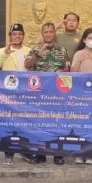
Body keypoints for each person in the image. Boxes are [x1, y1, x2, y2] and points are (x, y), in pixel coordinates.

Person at [25, 22, 70, 165]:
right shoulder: (35, 49)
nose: (49, 34)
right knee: (40, 124)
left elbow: (68, 69)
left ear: (54, 33)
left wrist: (63, 71)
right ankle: (40, 154)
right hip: (40, 94)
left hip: (57, 94)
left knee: (58, 123)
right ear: (42, 33)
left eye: (51, 31)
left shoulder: (62, 50)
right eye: (46, 32)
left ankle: (58, 154)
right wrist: (37, 55)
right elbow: (27, 65)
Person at [0, 24, 31, 165]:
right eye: (14, 34)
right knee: (10, 124)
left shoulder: (29, 51)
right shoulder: (2, 50)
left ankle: (26, 151)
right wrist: (5, 53)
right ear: (10, 36)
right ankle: (9, 153)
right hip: (9, 92)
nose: (17, 36)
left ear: (23, 35)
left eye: (19, 34)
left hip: (25, 92)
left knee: (24, 123)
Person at [70, 28, 92, 165]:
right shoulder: (78, 53)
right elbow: (72, 73)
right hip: (80, 93)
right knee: (81, 124)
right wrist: (80, 60)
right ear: (84, 39)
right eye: (89, 38)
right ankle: (80, 153)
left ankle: (91, 154)